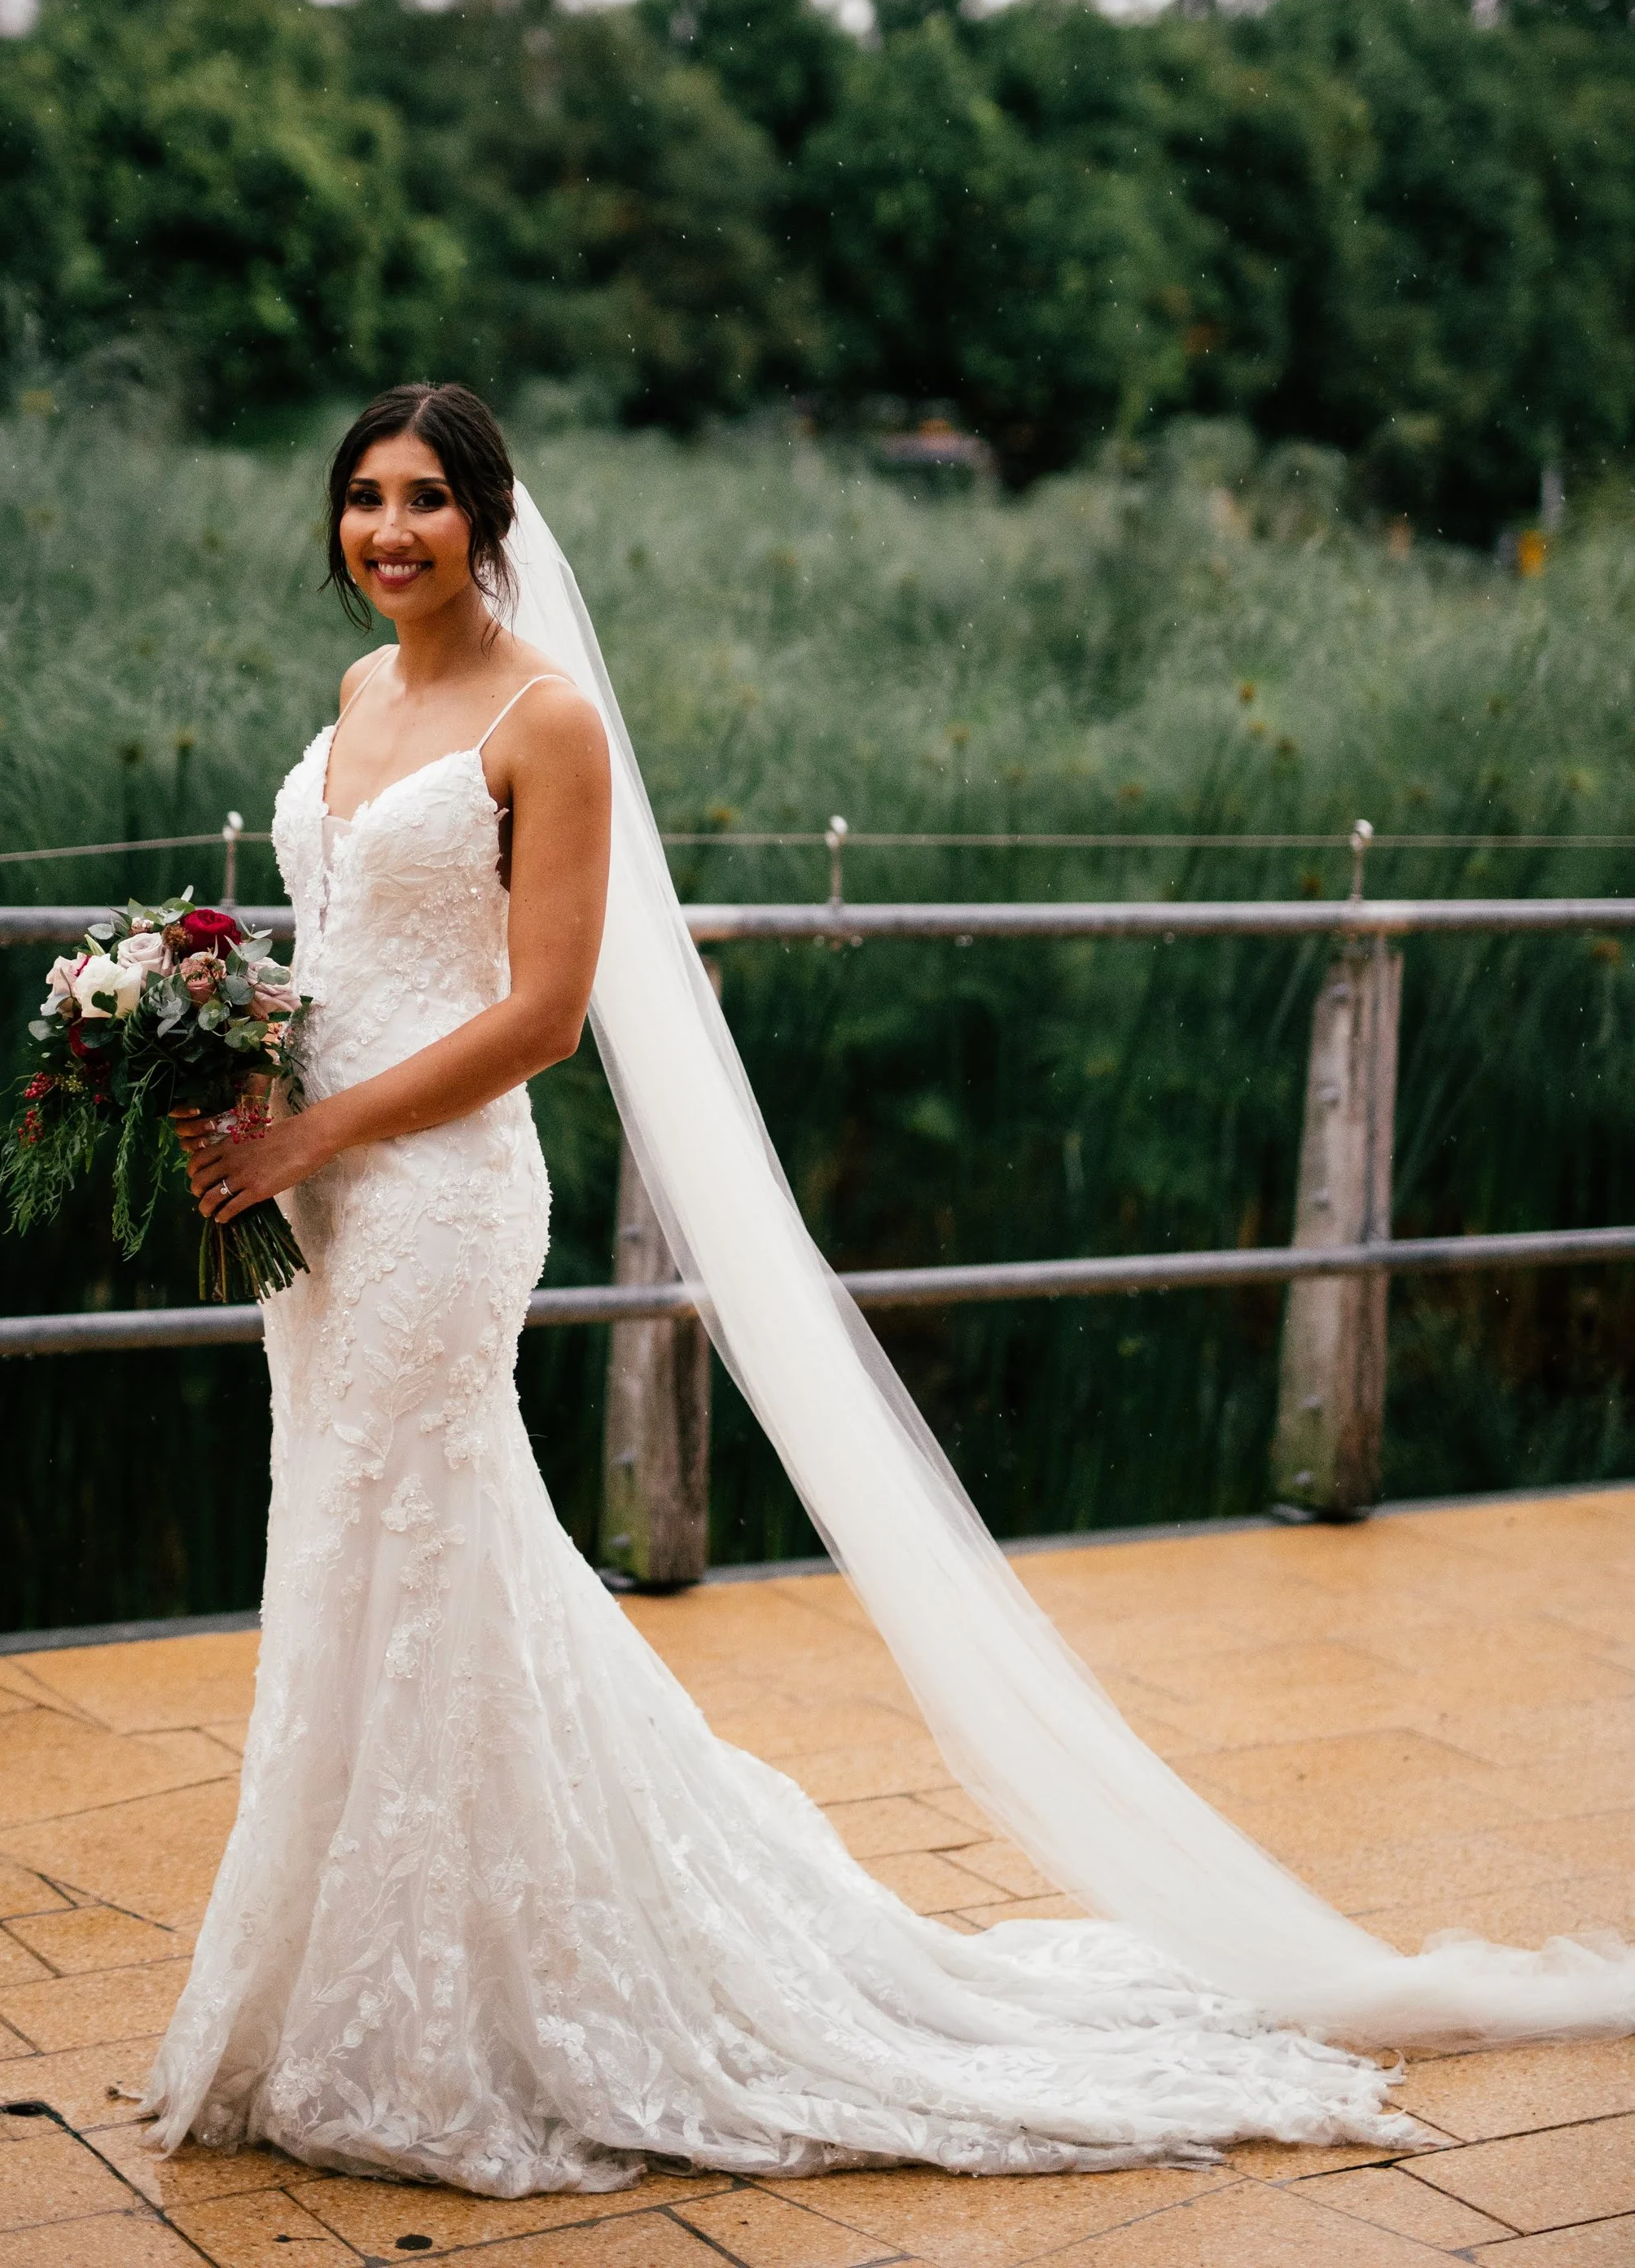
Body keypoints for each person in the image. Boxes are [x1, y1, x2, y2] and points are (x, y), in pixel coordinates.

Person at [138, 383, 1631, 2195]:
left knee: (417, 1537)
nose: (388, 531)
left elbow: (535, 1016)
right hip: (322, 1193)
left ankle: (456, 2013)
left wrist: (318, 1136)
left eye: (425, 500)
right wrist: (222, 1064)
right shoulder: (364, 697)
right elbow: (340, 948)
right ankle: (345, 1986)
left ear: (491, 519)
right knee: (360, 1550)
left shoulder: (548, 722)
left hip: (437, 1196)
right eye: (362, 499)